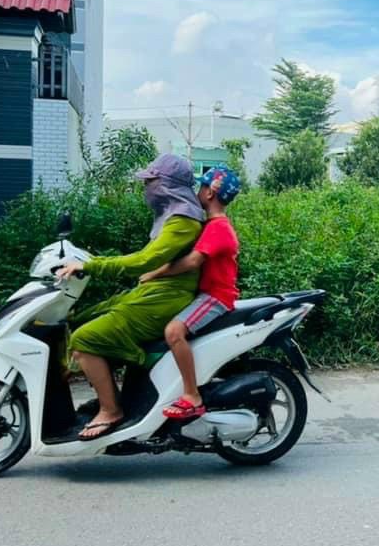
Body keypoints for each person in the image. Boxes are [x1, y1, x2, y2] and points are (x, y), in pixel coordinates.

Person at [55, 154, 204, 440]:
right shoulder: (173, 214)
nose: (146, 187)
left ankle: (111, 410)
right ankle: (109, 394)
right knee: (79, 318)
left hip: (165, 298)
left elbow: (144, 261)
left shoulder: (183, 219)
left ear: (167, 184)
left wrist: (91, 265)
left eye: (150, 181)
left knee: (84, 338)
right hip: (152, 291)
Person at [139, 166, 242, 419]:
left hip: (215, 297)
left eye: (200, 187)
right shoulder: (211, 224)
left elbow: (193, 261)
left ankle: (192, 395)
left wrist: (156, 273)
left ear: (209, 193)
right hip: (206, 293)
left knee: (173, 332)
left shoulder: (218, 227)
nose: (196, 192)